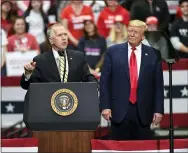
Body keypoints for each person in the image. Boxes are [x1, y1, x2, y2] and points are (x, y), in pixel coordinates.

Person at [99, 20, 164, 140]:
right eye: (130, 31)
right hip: (118, 110)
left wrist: (159, 110)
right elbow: (104, 81)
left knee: (141, 148)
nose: (131, 34)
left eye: (135, 32)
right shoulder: (113, 52)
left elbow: (158, 85)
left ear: (143, 36)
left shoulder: (154, 54)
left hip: (143, 111)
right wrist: (105, 106)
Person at [20, 23, 97, 90]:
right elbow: (27, 86)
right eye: (60, 35)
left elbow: (88, 78)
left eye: (65, 34)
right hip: (49, 103)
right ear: (51, 40)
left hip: (74, 102)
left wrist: (95, 87)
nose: (64, 38)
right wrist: (28, 74)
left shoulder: (78, 57)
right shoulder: (40, 60)